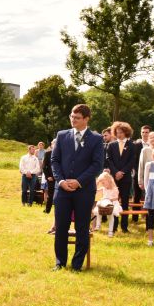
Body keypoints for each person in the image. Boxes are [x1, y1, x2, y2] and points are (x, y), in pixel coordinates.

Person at [51, 104, 105, 272]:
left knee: (82, 227)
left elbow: (97, 165)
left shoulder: (96, 139)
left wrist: (79, 181)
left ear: (86, 119)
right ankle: (60, 262)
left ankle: (77, 265)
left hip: (84, 190)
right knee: (61, 227)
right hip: (62, 190)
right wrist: (61, 181)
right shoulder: (62, 135)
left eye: (77, 118)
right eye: (72, 117)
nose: (73, 120)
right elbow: (54, 161)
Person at [105, 121, 135, 233]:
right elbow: (108, 160)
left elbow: (132, 161)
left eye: (121, 132)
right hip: (114, 178)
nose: (119, 134)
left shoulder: (132, 145)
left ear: (126, 132)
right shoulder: (111, 145)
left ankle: (124, 227)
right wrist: (116, 172)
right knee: (114, 201)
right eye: (117, 132)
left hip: (126, 177)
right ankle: (114, 226)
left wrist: (122, 172)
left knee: (125, 201)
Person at [130, 125, 151, 219]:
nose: (145, 134)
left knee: (149, 195)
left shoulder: (153, 145)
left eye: (146, 132)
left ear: (149, 133)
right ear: (141, 133)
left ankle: (148, 216)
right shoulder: (135, 145)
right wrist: (137, 171)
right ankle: (135, 217)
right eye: (143, 132)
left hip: (151, 174)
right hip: (138, 173)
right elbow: (133, 160)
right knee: (136, 195)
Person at [93, 171, 123, 236]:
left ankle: (110, 231)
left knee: (110, 216)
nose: (103, 184)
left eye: (104, 183)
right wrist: (98, 181)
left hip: (112, 204)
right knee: (99, 211)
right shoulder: (103, 188)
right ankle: (98, 225)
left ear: (108, 181)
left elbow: (116, 198)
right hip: (104, 204)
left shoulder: (114, 189)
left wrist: (109, 199)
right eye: (102, 183)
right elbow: (95, 189)